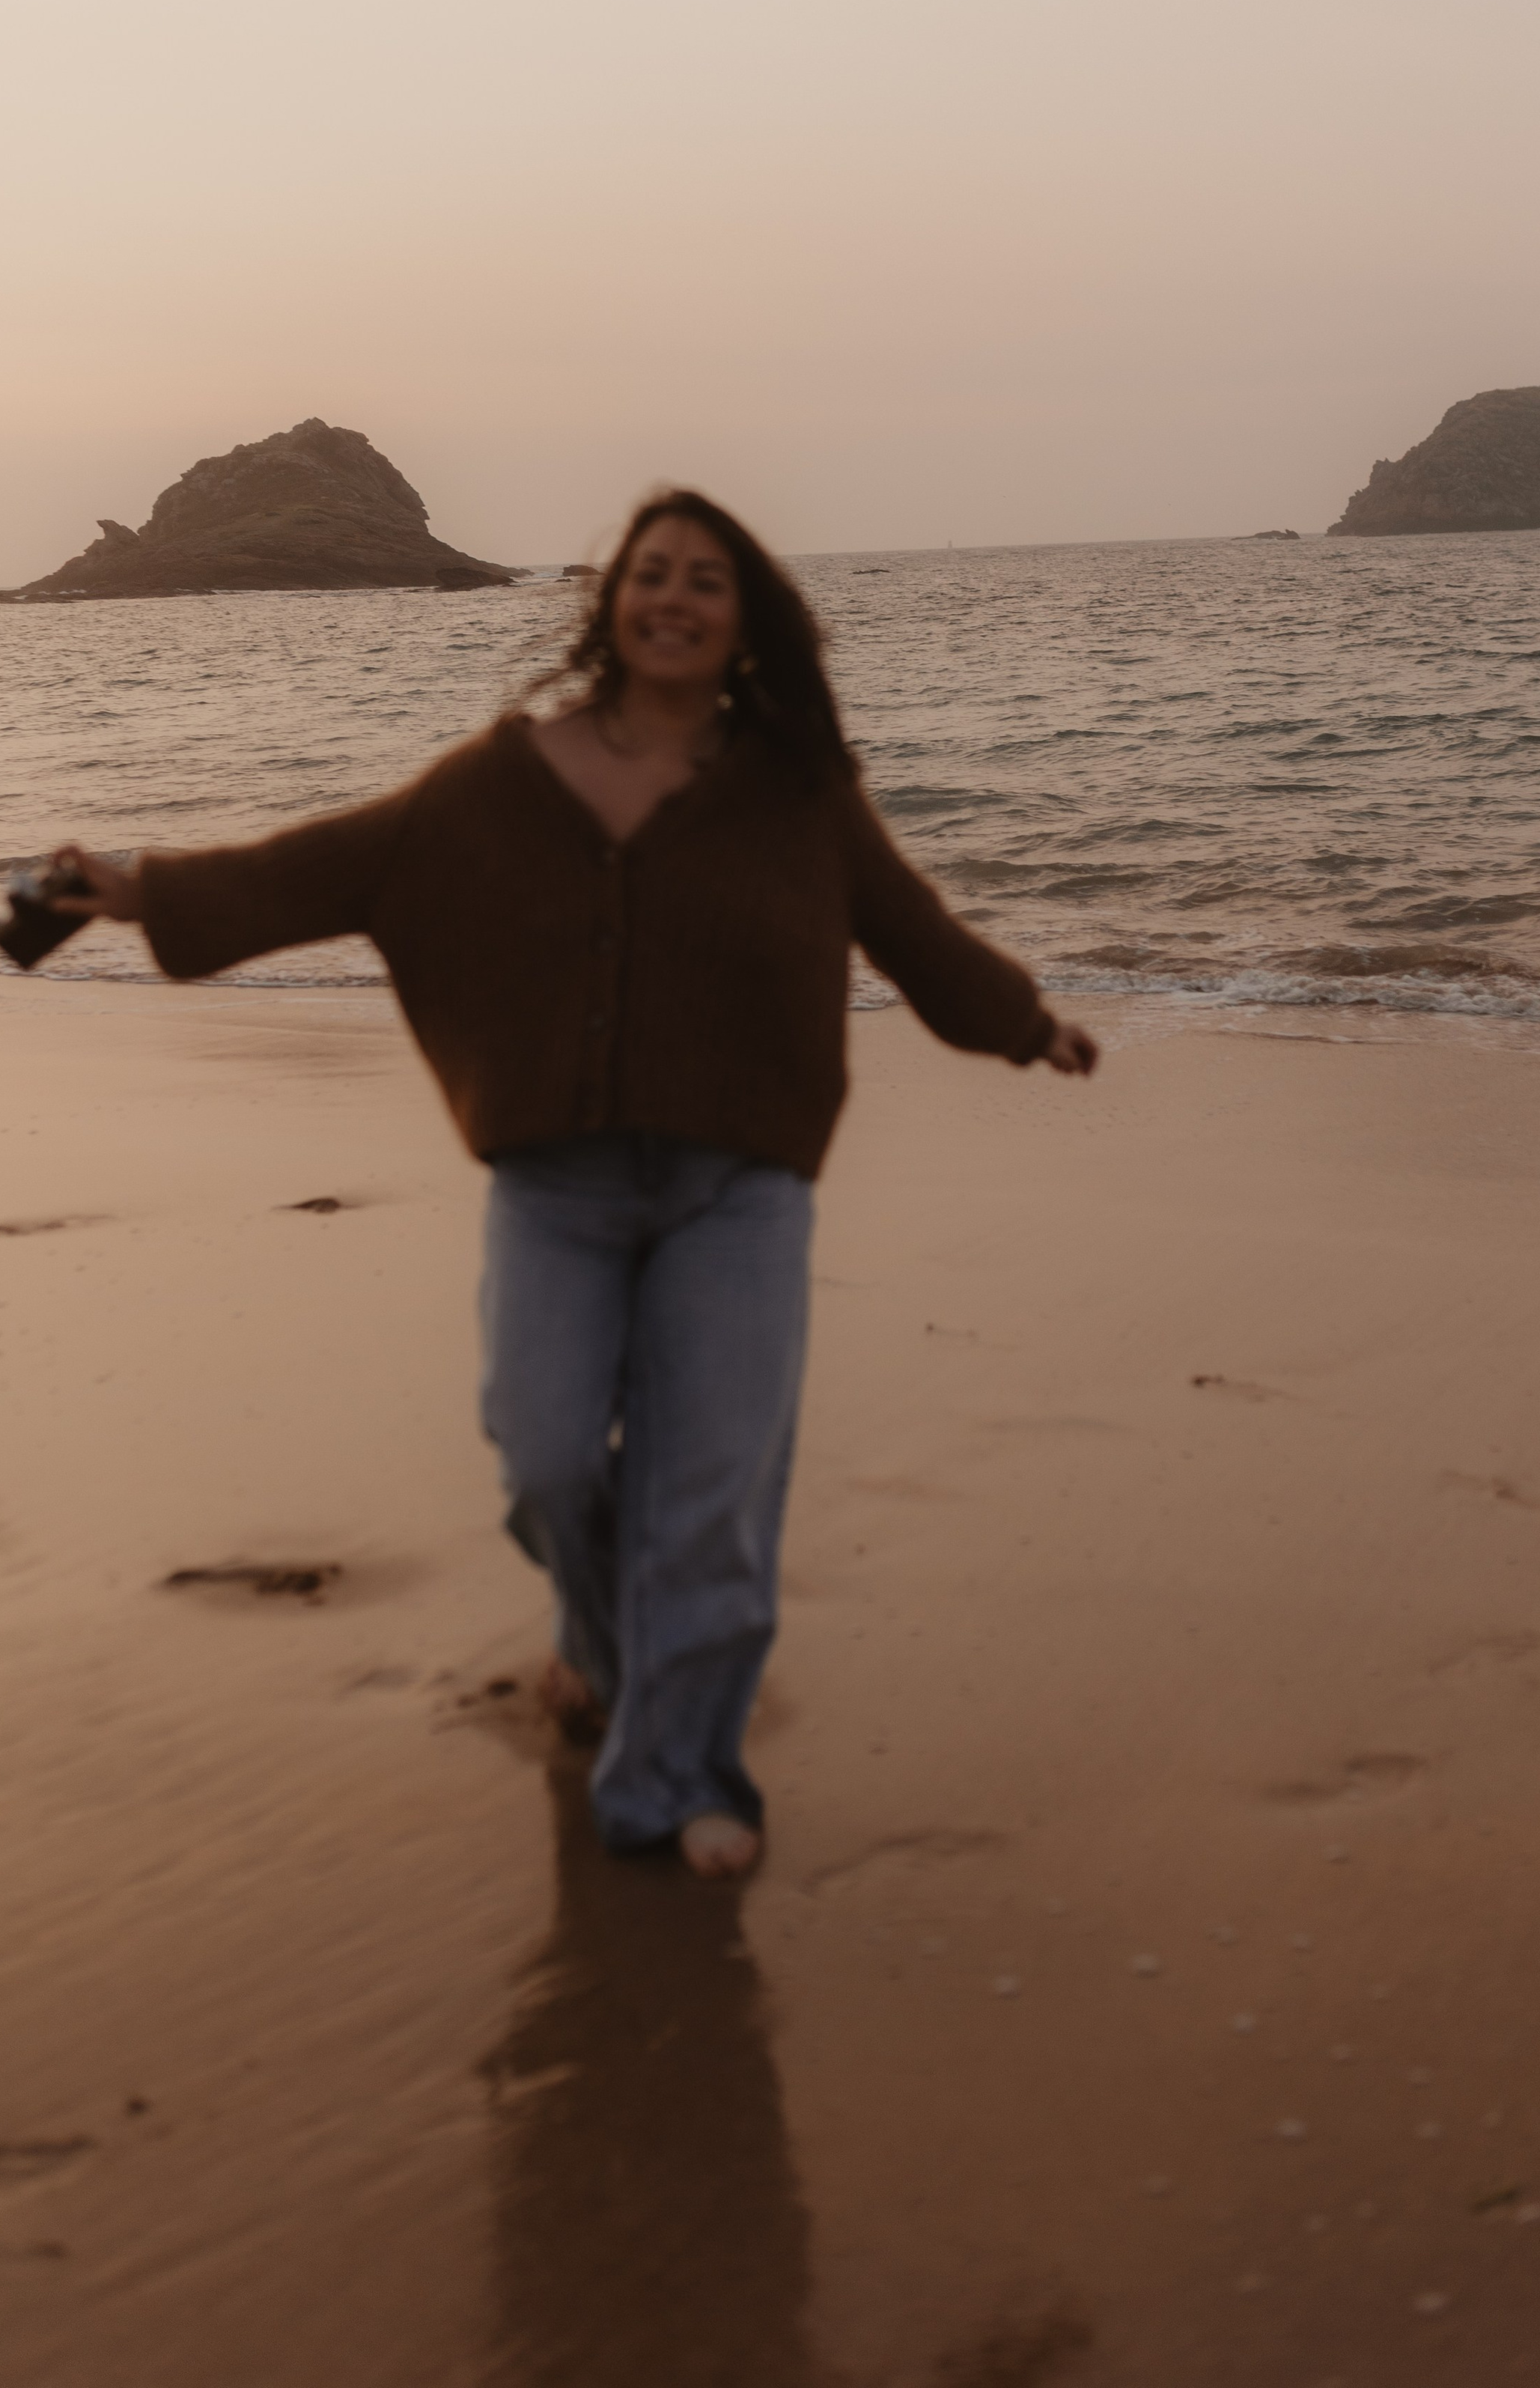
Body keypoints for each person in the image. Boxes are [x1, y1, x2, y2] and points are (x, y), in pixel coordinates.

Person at [53, 492, 1098, 1877]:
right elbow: (329, 866)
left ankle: (678, 1776)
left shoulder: (796, 793)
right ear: (612, 602)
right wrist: (137, 890)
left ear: (743, 620)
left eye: (705, 581)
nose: (673, 597)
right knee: (546, 1461)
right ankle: (602, 1653)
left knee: (709, 1494)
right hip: (558, 1185)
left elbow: (914, 931)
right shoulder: (502, 780)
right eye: (650, 574)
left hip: (739, 1190)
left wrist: (1026, 1023)